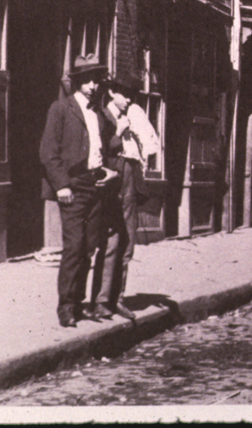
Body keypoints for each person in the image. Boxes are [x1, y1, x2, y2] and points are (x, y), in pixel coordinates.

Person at [39, 54, 116, 328]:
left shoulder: (99, 113)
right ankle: (66, 307)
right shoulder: (61, 109)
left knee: (89, 247)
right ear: (78, 82)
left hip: (96, 185)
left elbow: (106, 148)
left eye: (97, 79)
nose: (94, 85)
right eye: (89, 80)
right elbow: (48, 153)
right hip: (72, 186)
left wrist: (109, 170)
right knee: (74, 246)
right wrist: (61, 186)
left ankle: (80, 301)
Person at [91, 74, 160, 321]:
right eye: (125, 95)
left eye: (132, 95)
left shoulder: (130, 114)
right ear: (111, 92)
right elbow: (99, 149)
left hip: (129, 174)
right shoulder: (102, 116)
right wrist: (119, 132)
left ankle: (117, 298)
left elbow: (146, 145)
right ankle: (100, 300)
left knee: (128, 240)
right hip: (112, 177)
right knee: (111, 241)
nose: (129, 100)